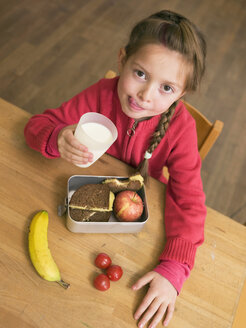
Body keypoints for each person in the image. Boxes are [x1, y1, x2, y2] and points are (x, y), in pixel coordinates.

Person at [24, 9, 207, 328]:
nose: (145, 96)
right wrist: (58, 137)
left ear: (182, 93)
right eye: (140, 73)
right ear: (122, 59)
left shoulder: (182, 130)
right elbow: (37, 125)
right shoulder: (100, 94)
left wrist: (174, 268)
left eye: (167, 88)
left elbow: (189, 202)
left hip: (137, 232)